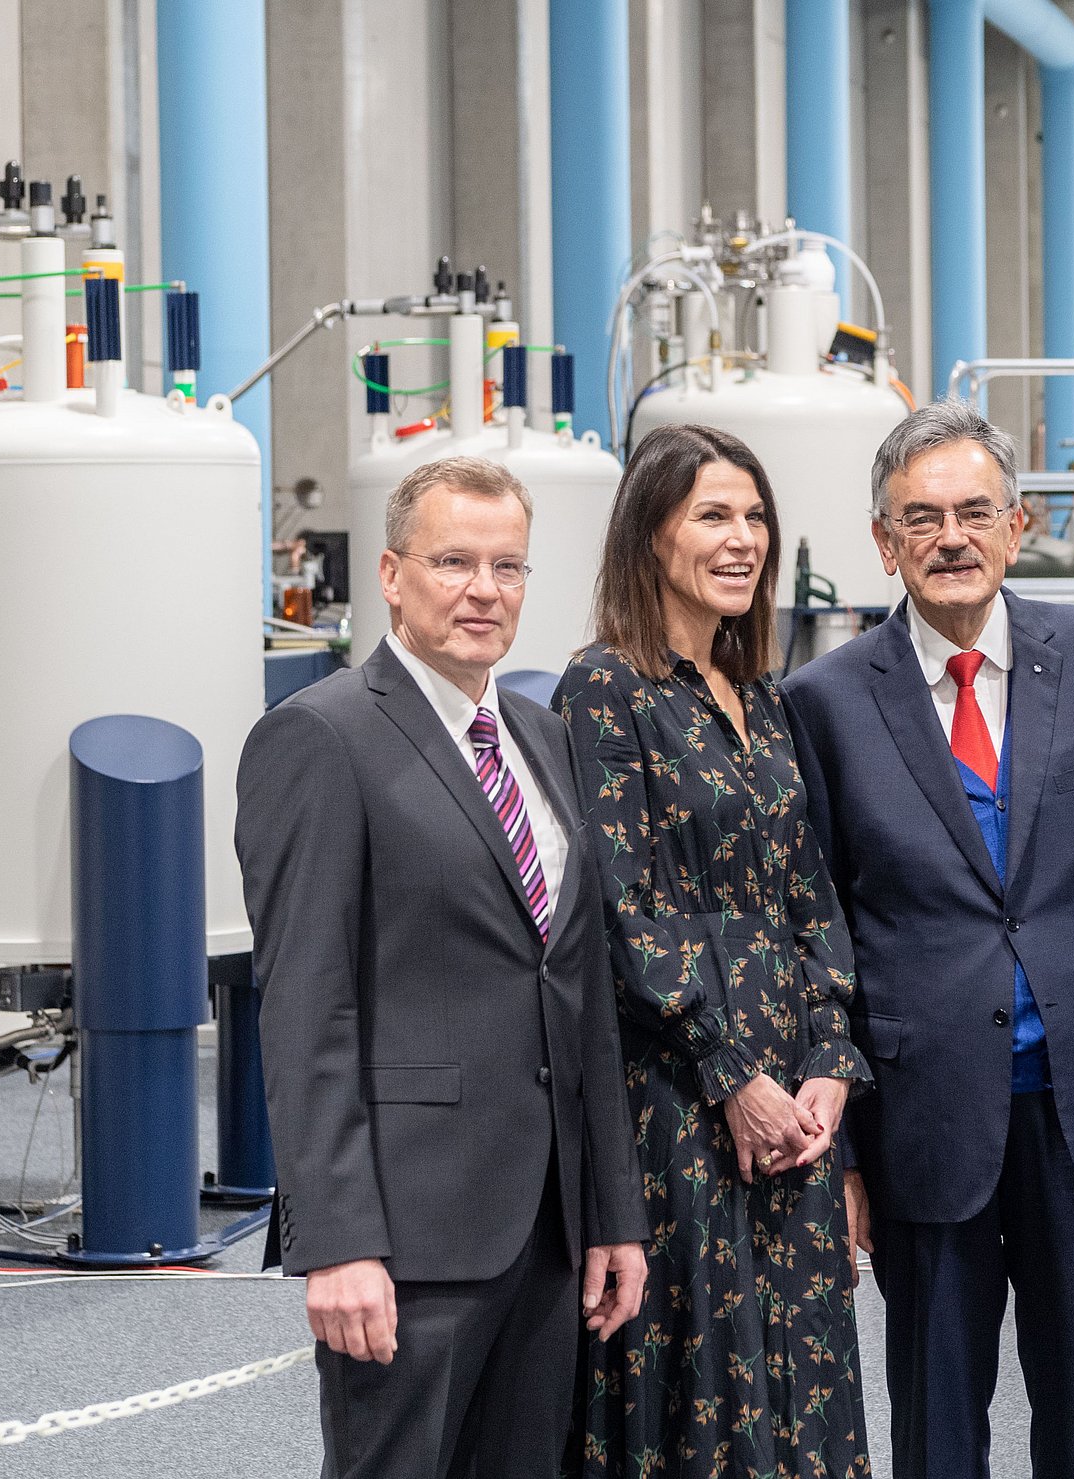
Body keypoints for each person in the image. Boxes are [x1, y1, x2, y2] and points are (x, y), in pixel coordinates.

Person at [782, 400, 1074, 1479]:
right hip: (923, 1115)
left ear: (1018, 527)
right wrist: (851, 1152)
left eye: (974, 512)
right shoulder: (821, 702)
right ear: (883, 542)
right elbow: (818, 934)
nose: (949, 537)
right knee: (934, 1414)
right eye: (920, 517)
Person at [236, 455, 650, 1479]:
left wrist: (609, 1214)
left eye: (507, 567)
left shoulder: (541, 736)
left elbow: (580, 992)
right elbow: (304, 1007)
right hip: (407, 1233)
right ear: (390, 572)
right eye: (454, 561)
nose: (484, 591)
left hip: (546, 1231)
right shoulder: (320, 737)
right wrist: (334, 1240)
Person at [553, 423, 872, 1479]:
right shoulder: (605, 692)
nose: (744, 540)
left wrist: (829, 1062)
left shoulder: (767, 701)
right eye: (713, 516)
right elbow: (621, 911)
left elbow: (809, 898)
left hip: (798, 1118)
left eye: (756, 517)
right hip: (683, 1109)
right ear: (651, 535)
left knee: (808, 1381)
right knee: (706, 1392)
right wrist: (734, 1076)